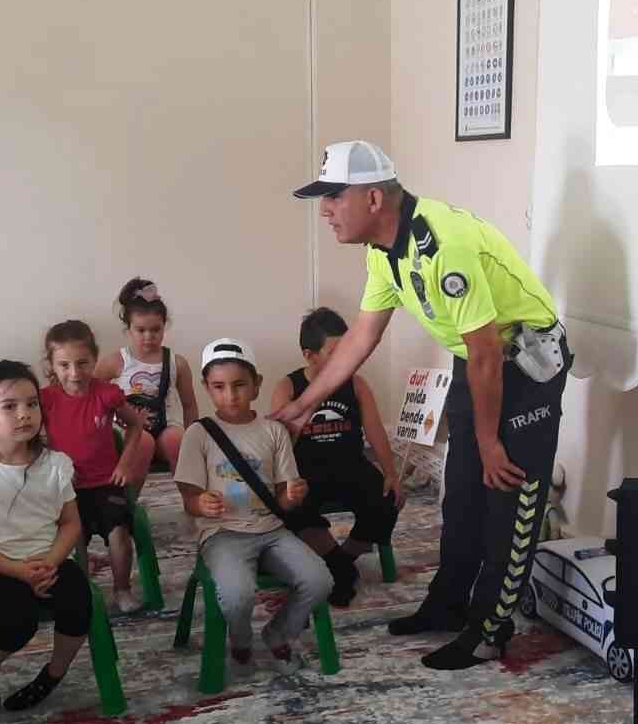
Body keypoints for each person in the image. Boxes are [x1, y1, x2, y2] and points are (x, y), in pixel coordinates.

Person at [279, 140, 572, 671]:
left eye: (333, 196)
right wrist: (304, 405)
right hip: (476, 358)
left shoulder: (444, 246)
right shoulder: (382, 251)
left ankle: (489, 631)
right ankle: (448, 603)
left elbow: (488, 351)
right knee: (461, 492)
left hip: (523, 365)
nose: (324, 210)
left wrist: (489, 441)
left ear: (373, 198)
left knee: (507, 498)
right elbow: (362, 336)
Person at [174, 338, 331, 677]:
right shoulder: (199, 434)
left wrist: (293, 494)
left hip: (271, 530)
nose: (230, 395)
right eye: (219, 387)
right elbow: (188, 497)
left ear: (257, 384)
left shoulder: (274, 431)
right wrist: (200, 503)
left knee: (319, 580)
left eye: (239, 385)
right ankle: (241, 640)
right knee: (237, 595)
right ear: (206, 387)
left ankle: (278, 633)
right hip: (222, 534)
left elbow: (283, 499)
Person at [0, 361, 93, 713]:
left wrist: (51, 562)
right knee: (19, 619)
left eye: (32, 404)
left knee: (79, 604)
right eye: (10, 406)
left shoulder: (55, 465)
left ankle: (53, 674)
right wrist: (20, 572)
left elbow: (71, 524)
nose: (24, 414)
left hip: (51, 561)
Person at [269, 307, 401, 607]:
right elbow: (277, 444)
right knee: (288, 506)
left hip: (350, 467)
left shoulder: (356, 384)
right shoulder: (288, 387)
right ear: (309, 355)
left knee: (388, 498)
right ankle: (340, 567)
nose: (345, 359)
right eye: (334, 352)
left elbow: (375, 431)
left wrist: (392, 473)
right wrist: (296, 425)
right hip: (306, 472)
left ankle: (342, 560)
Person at [40, 320, 149, 614]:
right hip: (67, 488)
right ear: (51, 365)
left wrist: (125, 463)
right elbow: (34, 443)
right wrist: (56, 468)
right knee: (72, 538)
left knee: (119, 534)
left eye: (82, 363)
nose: (75, 373)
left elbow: (135, 425)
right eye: (64, 365)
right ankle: (82, 590)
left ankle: (122, 589)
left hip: (106, 484)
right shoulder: (45, 400)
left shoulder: (107, 394)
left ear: (95, 358)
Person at [95, 278, 199, 477]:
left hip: (165, 427)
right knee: (142, 442)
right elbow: (93, 395)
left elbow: (189, 405)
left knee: (177, 441)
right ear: (128, 329)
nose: (148, 336)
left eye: (155, 329)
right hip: (129, 429)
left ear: (164, 326)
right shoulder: (115, 361)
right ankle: (131, 493)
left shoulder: (177, 363)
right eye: (141, 330)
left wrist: (194, 438)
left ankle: (187, 489)